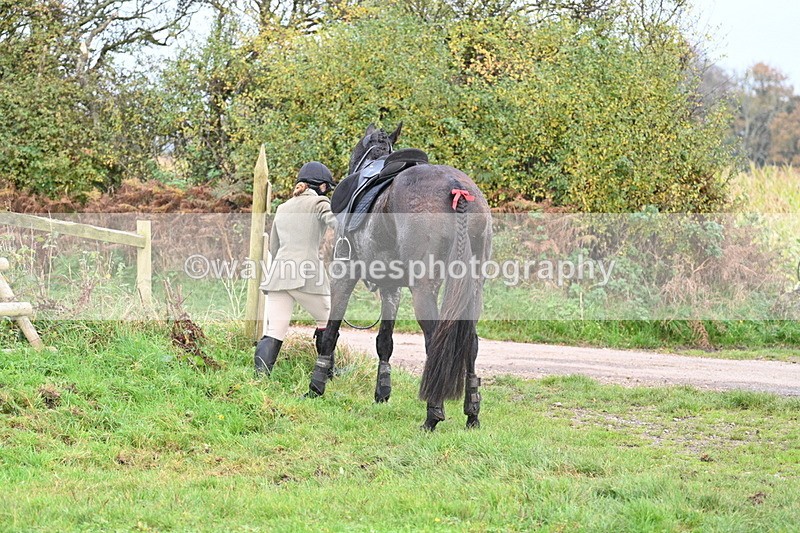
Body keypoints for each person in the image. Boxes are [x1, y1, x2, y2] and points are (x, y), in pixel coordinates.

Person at [254, 161, 337, 375]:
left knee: (275, 330)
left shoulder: (283, 208)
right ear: (321, 186)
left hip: (279, 275)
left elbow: (274, 246)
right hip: (307, 275)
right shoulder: (320, 203)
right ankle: (326, 373)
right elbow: (338, 225)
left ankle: (260, 379)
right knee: (327, 321)